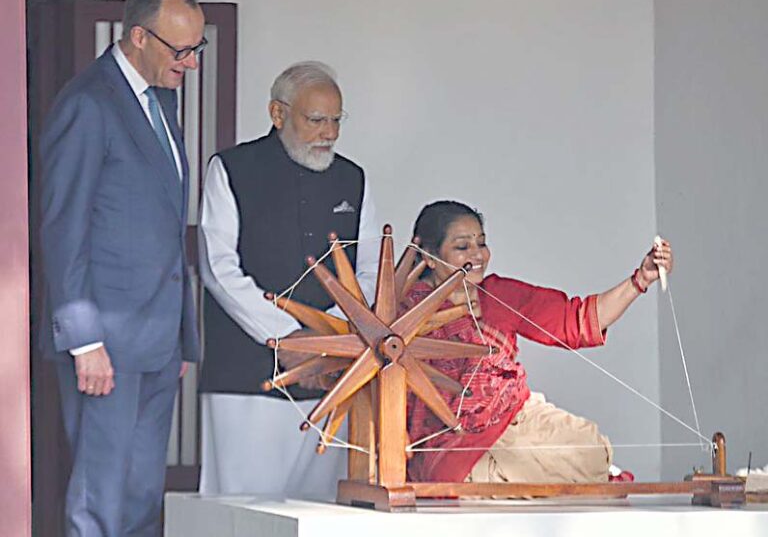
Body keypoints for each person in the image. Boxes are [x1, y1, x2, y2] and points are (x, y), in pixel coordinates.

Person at [39, 0, 204, 536]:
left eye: (197, 48)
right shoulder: (88, 103)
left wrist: (180, 332)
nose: (191, 63)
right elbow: (64, 228)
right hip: (104, 342)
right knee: (99, 500)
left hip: (158, 339)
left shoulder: (161, 101)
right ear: (138, 37)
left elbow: (161, 225)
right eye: (181, 50)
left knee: (140, 499)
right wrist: (84, 339)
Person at [198, 61, 379, 498]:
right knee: (241, 511)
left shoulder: (352, 178)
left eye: (336, 120)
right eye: (316, 120)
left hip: (329, 373)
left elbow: (369, 270)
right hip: (246, 374)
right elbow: (218, 267)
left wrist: (326, 339)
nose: (329, 133)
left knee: (318, 511)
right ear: (277, 114)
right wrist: (287, 338)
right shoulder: (232, 168)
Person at [402, 200, 673, 484]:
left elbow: (575, 321)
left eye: (481, 243)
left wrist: (641, 279)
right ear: (429, 256)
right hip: (450, 440)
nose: (478, 254)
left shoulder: (499, 294)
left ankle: (509, 479)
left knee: (591, 449)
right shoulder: (404, 314)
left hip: (515, 417)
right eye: (462, 247)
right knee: (462, 473)